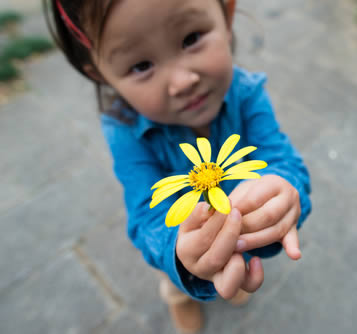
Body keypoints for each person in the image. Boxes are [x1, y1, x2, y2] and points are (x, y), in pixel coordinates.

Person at [43, 0, 311, 332]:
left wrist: (283, 189)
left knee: (234, 266)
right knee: (177, 276)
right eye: (141, 65)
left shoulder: (246, 93)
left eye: (191, 38)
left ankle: (229, 279)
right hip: (180, 238)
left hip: (239, 230)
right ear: (103, 76)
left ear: (226, 15)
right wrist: (179, 253)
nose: (183, 81)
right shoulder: (126, 131)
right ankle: (179, 299)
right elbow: (147, 214)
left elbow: (282, 162)